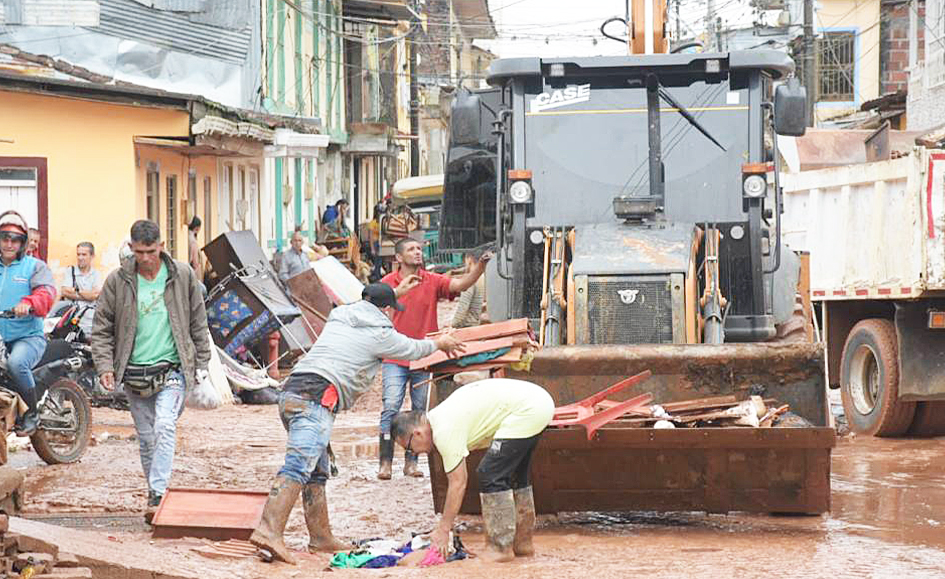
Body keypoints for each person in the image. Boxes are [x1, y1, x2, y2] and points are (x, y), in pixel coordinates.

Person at [249, 283, 465, 565]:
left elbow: (368, 304)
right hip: (317, 397)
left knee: (316, 470)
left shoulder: (341, 315)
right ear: (386, 310)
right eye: (391, 310)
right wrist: (441, 343)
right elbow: (412, 349)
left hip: (293, 392)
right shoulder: (381, 334)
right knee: (299, 466)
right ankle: (268, 531)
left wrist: (392, 294)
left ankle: (320, 537)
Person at [91, 219, 210, 520]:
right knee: (146, 438)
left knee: (165, 426)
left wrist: (203, 365)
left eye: (150, 251)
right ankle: (154, 493)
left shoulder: (182, 276)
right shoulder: (118, 282)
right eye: (139, 252)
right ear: (131, 248)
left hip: (172, 369)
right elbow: (102, 327)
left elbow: (198, 321)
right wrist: (105, 366)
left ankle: (159, 492)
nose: (145, 258)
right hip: (133, 373)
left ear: (161, 247)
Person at [391, 379, 554, 562]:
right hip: (538, 402)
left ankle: (500, 548)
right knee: (514, 474)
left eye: (410, 448)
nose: (415, 453)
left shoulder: (443, 430)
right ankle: (522, 544)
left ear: (418, 433)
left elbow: (458, 482)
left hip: (528, 409)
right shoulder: (441, 417)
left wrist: (443, 529)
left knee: (489, 473)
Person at [377, 238, 491, 480]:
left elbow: (460, 285)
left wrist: (479, 268)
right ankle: (385, 463)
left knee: (420, 412)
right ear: (398, 258)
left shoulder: (432, 280)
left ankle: (411, 464)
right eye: (411, 249)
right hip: (394, 357)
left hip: (425, 355)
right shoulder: (388, 284)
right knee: (390, 408)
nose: (418, 252)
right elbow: (369, 306)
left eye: (419, 249)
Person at [0, 211, 56, 435]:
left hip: (27, 336)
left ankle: (31, 413)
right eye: (4, 237)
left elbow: (47, 293)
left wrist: (28, 303)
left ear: (23, 243)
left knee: (16, 364)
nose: (9, 243)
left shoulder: (34, 266)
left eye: (15, 239)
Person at [55, 242, 103, 335]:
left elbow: (95, 295)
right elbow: (65, 291)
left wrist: (76, 291)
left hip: (90, 321)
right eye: (78, 254)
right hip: (72, 319)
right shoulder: (70, 271)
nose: (80, 258)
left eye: (84, 255)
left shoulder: (96, 274)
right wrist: (87, 295)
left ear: (92, 256)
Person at [450, 253, 485, 329]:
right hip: (476, 325)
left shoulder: (469, 281)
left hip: (466, 327)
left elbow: (462, 309)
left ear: (469, 259)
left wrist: (453, 326)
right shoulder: (483, 277)